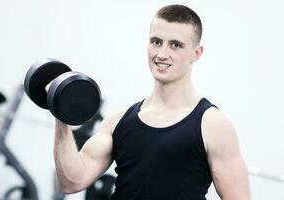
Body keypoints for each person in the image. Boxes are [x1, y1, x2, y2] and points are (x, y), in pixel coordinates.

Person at [54, 4, 250, 200]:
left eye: (175, 45)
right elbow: (72, 181)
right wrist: (59, 111)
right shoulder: (119, 120)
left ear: (196, 53)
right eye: (156, 42)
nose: (162, 54)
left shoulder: (213, 126)